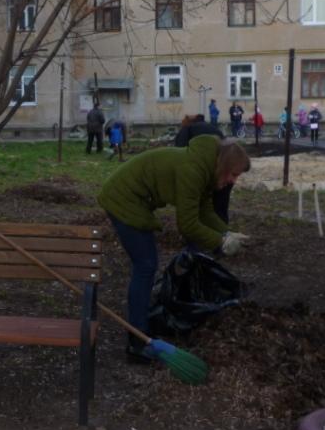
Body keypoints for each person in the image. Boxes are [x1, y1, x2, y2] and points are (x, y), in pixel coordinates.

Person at [97, 135, 252, 363]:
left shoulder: (205, 169)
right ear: (224, 166)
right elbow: (187, 224)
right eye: (234, 174)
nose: (233, 181)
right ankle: (137, 342)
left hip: (136, 199)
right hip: (123, 198)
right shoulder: (194, 170)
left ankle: (142, 330)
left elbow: (205, 211)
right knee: (145, 266)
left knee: (146, 265)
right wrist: (220, 242)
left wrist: (226, 232)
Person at [174, 115, 232, 222]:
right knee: (220, 205)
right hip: (225, 167)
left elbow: (180, 150)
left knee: (198, 204)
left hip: (203, 169)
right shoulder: (213, 128)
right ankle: (223, 231)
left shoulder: (187, 129)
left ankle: (199, 228)